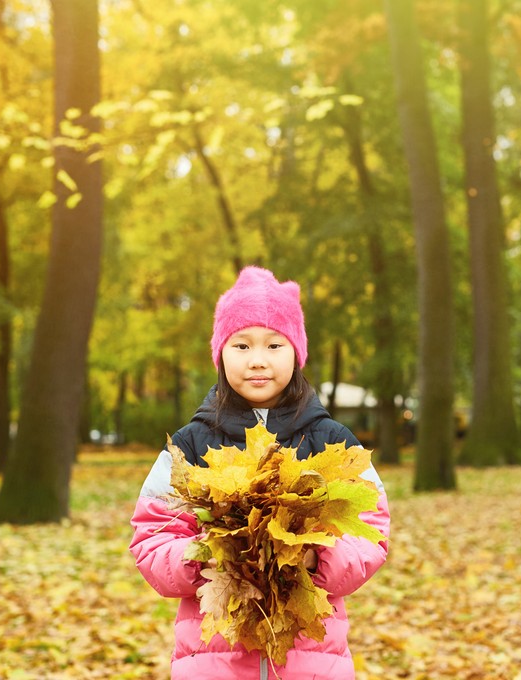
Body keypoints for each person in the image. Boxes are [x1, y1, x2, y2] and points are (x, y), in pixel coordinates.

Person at [129, 266, 391, 679]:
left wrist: (314, 557)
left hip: (311, 658)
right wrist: (206, 556)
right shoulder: (190, 446)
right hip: (215, 657)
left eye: (274, 345)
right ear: (220, 354)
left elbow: (371, 531)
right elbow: (151, 540)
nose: (258, 360)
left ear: (297, 353)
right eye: (241, 346)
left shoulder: (331, 441)